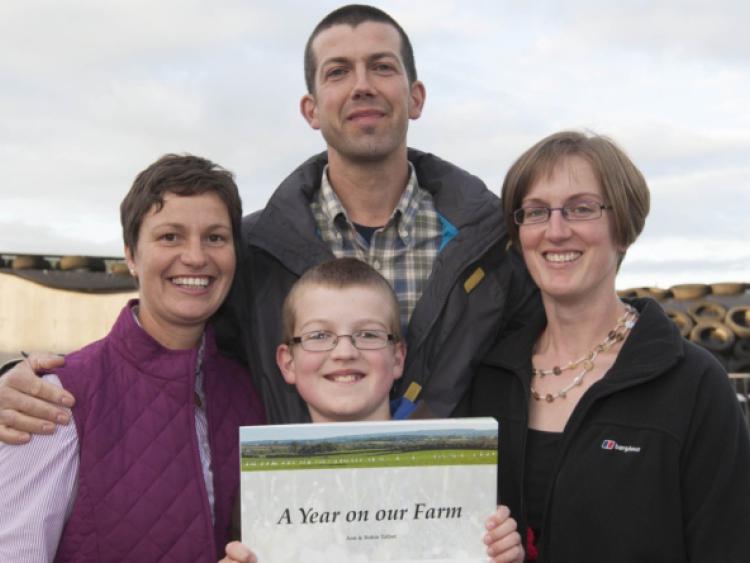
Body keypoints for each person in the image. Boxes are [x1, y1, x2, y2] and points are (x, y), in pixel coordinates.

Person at [0, 4, 533, 434]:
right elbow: (169, 355)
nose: (362, 85)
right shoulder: (252, 251)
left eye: (383, 66)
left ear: (415, 98)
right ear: (311, 109)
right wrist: (20, 380)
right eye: (338, 72)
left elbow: (563, 362)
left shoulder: (493, 245)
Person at [462, 131, 750, 561]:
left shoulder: (692, 385)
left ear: (623, 230)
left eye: (581, 208)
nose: (555, 231)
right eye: (536, 212)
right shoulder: (486, 379)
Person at [0, 154, 266, 562]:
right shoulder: (56, 399)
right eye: (170, 237)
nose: (196, 257)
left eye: (215, 237)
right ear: (130, 255)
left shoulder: (248, 393)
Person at [222, 257, 524, 563]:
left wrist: (506, 557)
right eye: (319, 336)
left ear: (397, 358)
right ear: (288, 362)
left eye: (367, 334)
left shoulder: (459, 474)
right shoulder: (262, 490)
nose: (344, 352)